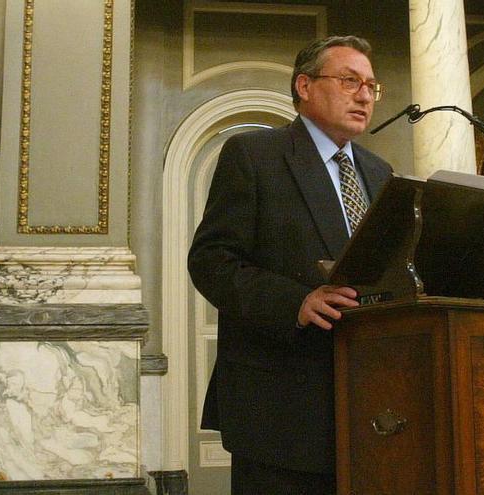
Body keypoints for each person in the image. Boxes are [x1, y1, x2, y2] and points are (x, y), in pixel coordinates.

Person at [188, 36, 393, 494]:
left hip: (369, 403)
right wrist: (294, 301)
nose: (364, 95)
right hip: (280, 408)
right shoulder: (254, 156)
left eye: (371, 87)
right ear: (304, 85)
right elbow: (211, 261)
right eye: (349, 81)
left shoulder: (381, 174)